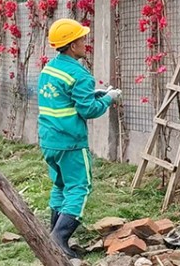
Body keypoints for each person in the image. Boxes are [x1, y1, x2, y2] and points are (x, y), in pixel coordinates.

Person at [38, 18, 122, 258]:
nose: (86, 43)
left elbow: (65, 98)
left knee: (60, 185)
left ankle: (52, 235)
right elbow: (88, 110)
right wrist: (108, 99)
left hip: (49, 140)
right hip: (71, 142)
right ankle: (60, 239)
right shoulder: (79, 74)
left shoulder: (49, 69)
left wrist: (95, 93)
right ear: (72, 45)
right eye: (82, 39)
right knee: (79, 187)